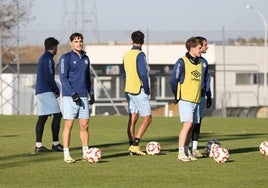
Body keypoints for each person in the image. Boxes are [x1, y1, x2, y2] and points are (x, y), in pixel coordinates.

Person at [58, 32, 95, 163]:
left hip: (83, 96)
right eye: (76, 41)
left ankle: (86, 153)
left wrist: (92, 92)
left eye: (80, 41)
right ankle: (66, 154)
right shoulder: (65, 58)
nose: (79, 43)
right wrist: (72, 93)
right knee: (69, 124)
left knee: (85, 125)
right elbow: (63, 78)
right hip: (70, 97)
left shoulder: (86, 58)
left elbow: (87, 78)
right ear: (71, 43)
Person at [170, 37, 203, 162]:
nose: (201, 50)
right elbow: (174, 80)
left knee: (192, 126)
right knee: (187, 124)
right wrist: (177, 95)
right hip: (185, 99)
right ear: (192, 48)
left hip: (196, 100)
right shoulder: (182, 61)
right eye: (199, 48)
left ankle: (187, 150)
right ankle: (180, 153)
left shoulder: (199, 63)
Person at [121, 30, 152, 156]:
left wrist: (128, 83)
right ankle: (135, 145)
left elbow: (123, 73)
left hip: (128, 90)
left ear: (131, 41)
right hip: (138, 90)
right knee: (148, 118)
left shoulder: (126, 55)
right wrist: (147, 87)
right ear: (143, 41)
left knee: (133, 117)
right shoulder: (140, 55)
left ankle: (131, 144)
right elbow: (143, 73)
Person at [34, 37, 63, 153]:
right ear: (54, 47)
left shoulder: (43, 58)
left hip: (40, 91)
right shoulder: (48, 59)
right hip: (45, 91)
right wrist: (56, 90)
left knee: (43, 117)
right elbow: (49, 78)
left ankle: (38, 145)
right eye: (57, 47)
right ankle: (55, 144)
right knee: (57, 115)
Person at [191, 36, 212, 158]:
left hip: (202, 96)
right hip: (190, 97)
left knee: (198, 122)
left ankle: (194, 148)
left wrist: (209, 95)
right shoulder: (188, 61)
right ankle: (184, 149)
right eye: (205, 45)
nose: (206, 47)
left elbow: (206, 80)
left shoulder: (204, 62)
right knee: (190, 123)